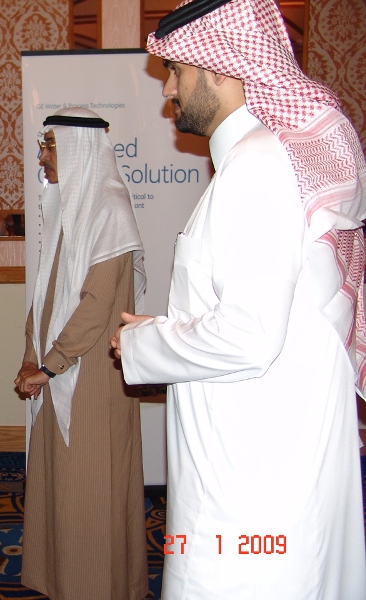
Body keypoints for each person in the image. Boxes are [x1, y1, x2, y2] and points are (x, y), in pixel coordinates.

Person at [110, 0, 366, 597]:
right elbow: (266, 310)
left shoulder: (257, 167)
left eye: (176, 71)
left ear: (219, 67)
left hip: (253, 469)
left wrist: (143, 342)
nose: (168, 90)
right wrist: (165, 327)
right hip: (267, 444)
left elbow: (248, 336)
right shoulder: (261, 160)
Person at [15, 107, 148, 600]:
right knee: (60, 483)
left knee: (90, 485)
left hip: (91, 374)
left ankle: (98, 587)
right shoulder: (68, 209)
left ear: (78, 149)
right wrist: (32, 356)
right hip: (58, 366)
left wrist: (49, 365)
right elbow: (46, 296)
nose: (42, 158)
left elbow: (95, 307)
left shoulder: (109, 211)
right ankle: (61, 581)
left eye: (50, 147)